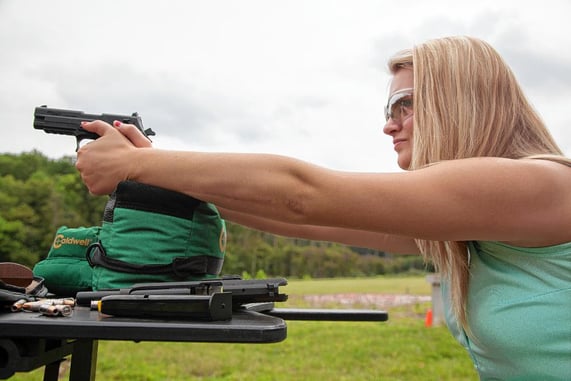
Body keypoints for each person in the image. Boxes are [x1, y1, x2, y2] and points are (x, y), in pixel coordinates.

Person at [75, 36, 571, 380]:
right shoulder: (477, 220)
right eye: (387, 110)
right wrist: (152, 168)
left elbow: (302, 194)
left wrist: (144, 166)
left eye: (405, 104)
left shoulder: (535, 184)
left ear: (460, 101)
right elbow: (311, 218)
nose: (389, 125)